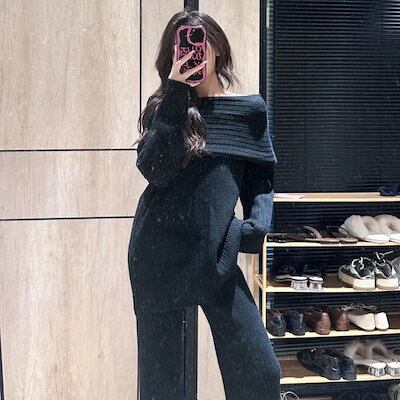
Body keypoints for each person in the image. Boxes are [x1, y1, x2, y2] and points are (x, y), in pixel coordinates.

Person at [128, 8, 282, 400]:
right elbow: (154, 170)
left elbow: (260, 181)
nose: (192, 53)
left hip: (216, 254)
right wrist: (176, 95)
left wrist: (254, 229)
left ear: (217, 47)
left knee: (261, 372)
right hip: (159, 255)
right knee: (164, 386)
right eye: (181, 47)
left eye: (198, 41)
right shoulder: (167, 110)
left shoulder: (249, 112)